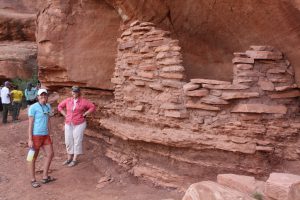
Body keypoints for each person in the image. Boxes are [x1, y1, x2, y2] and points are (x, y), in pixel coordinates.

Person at [58, 86, 95, 167]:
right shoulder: (68, 100)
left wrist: (85, 114)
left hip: (79, 124)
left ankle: (74, 159)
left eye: (76, 91)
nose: (74, 93)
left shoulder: (83, 101)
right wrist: (65, 115)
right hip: (68, 123)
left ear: (79, 92)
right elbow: (59, 107)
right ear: (71, 92)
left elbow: (92, 107)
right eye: (73, 91)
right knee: (68, 141)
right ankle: (69, 158)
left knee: (77, 141)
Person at [28, 89, 55, 188]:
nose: (43, 97)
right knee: (31, 158)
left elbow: (48, 121)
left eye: (45, 96)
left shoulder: (48, 106)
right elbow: (30, 124)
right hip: (36, 136)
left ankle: (45, 176)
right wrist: (30, 139)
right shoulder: (33, 107)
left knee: (50, 154)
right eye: (41, 96)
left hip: (45, 135)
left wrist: (51, 134)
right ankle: (33, 179)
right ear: (38, 97)